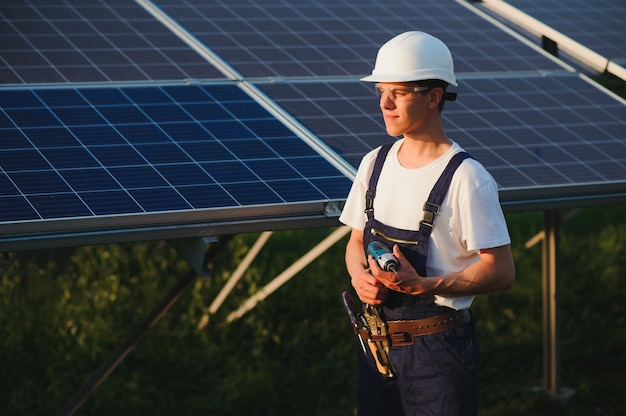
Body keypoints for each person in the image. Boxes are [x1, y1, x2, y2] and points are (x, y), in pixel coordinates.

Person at [339, 31, 516, 416]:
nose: (384, 103)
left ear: (434, 97)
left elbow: (501, 271)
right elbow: (356, 242)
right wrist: (359, 278)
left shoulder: (468, 178)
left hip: (439, 352)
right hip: (377, 343)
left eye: (398, 93)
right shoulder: (374, 163)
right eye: (381, 91)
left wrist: (424, 285)